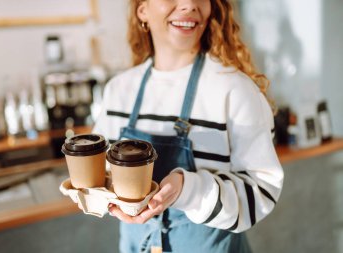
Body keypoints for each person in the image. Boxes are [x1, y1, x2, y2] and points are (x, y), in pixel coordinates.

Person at [91, 0, 284, 252]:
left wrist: (188, 190)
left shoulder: (235, 91)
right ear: (143, 10)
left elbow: (261, 191)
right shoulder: (118, 92)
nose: (189, 4)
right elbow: (102, 175)